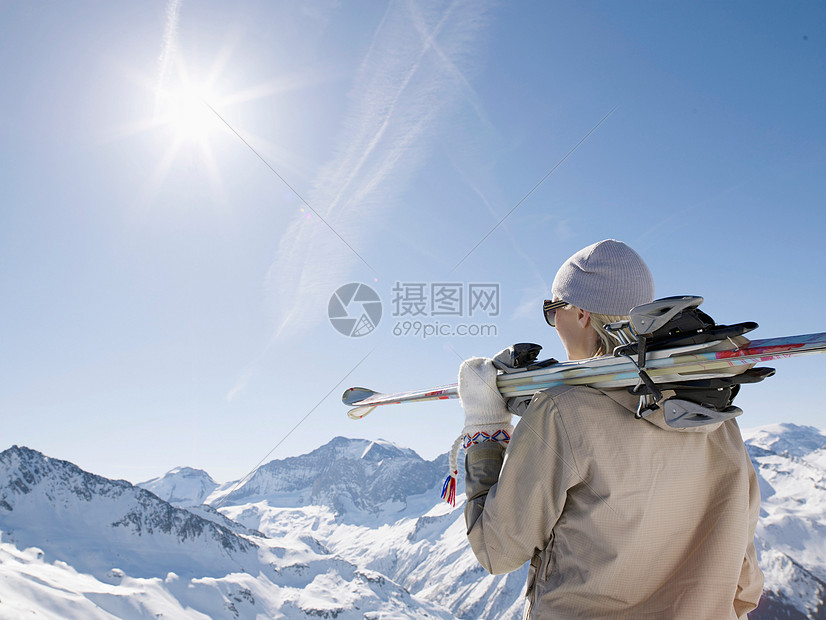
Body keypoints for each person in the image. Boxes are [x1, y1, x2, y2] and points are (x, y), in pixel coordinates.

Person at [458, 239, 763, 619]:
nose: (554, 324)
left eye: (553, 311)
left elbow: (496, 549)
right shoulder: (715, 415)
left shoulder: (560, 414)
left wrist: (485, 427)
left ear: (581, 313)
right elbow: (744, 575)